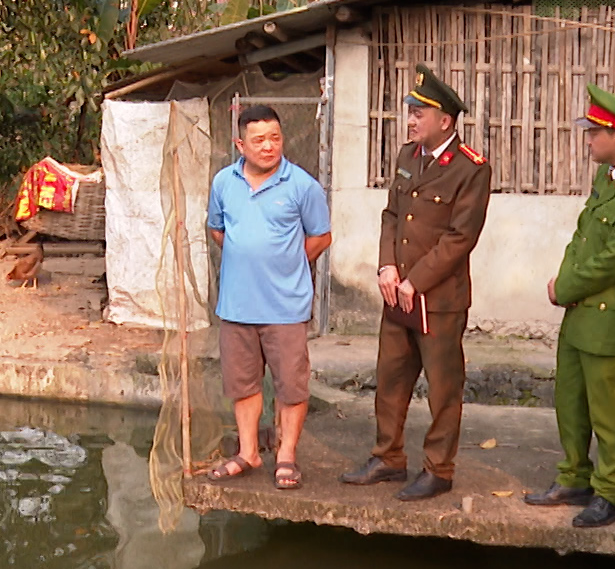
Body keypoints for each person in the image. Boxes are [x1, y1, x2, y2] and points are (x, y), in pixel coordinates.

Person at [341, 65, 490, 502]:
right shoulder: (409, 157)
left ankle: (438, 469)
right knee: (390, 379)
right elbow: (392, 215)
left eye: (419, 112)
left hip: (439, 300)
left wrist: (417, 280)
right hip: (397, 295)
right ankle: (387, 458)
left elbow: (462, 236)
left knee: (443, 388)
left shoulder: (471, 169)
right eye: (409, 111)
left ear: (445, 120)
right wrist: (387, 266)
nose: (410, 119)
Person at [526, 85, 615, 528]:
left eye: (594, 133)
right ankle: (574, 475)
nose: (588, 140)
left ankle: (610, 492)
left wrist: (563, 287)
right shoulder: (609, 177)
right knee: (570, 399)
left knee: (608, 411)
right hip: (581, 309)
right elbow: (584, 239)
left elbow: (613, 261)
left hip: (611, 316)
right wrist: (565, 281)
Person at [205, 104, 332, 491]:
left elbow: (321, 237)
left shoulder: (302, 186)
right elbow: (217, 229)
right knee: (242, 383)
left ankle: (287, 456)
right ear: (240, 143)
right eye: (258, 140)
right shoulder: (224, 183)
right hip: (237, 306)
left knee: (291, 384)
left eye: (275, 138)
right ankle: (248, 452)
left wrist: (286, 265)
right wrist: (248, 260)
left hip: (285, 306)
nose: (268, 146)